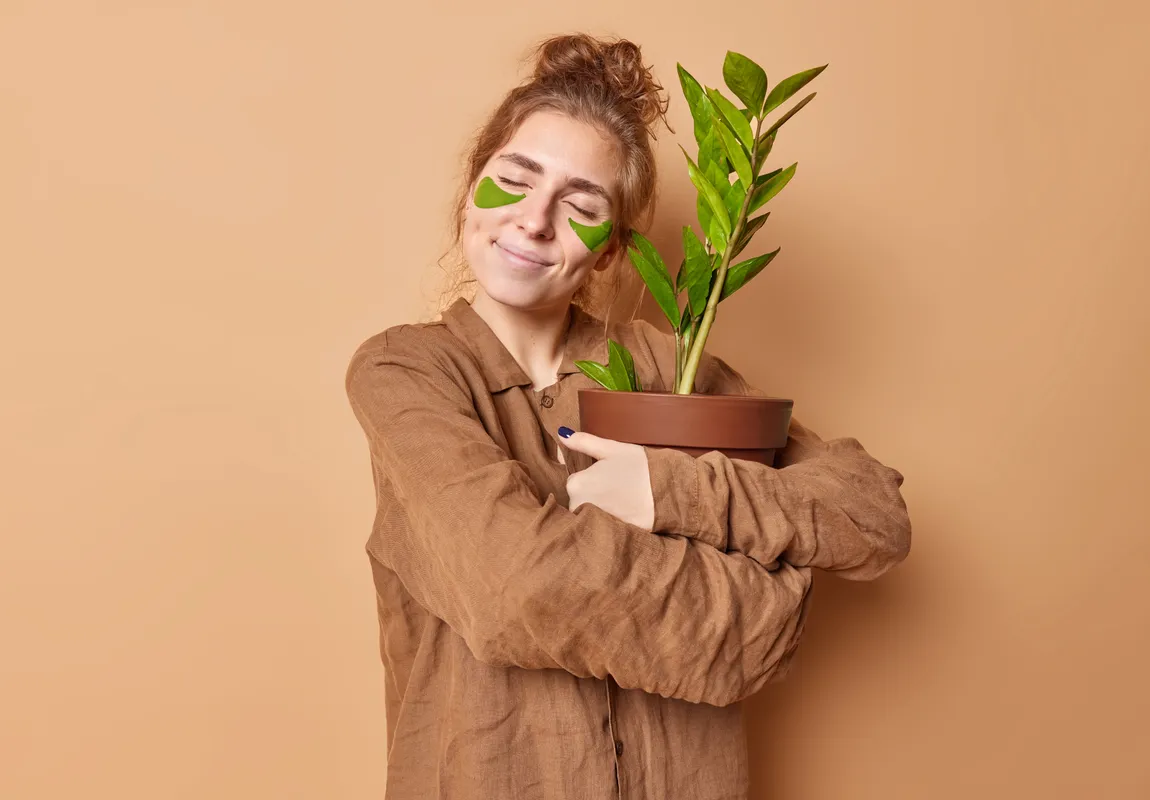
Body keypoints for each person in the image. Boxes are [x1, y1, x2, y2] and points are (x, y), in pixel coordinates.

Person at [344, 33, 911, 800]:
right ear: (470, 188)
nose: (536, 220)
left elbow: (871, 512)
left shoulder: (666, 370)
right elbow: (519, 589)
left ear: (610, 252)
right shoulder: (404, 373)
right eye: (514, 179)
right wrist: (764, 610)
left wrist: (664, 490)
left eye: (581, 205)